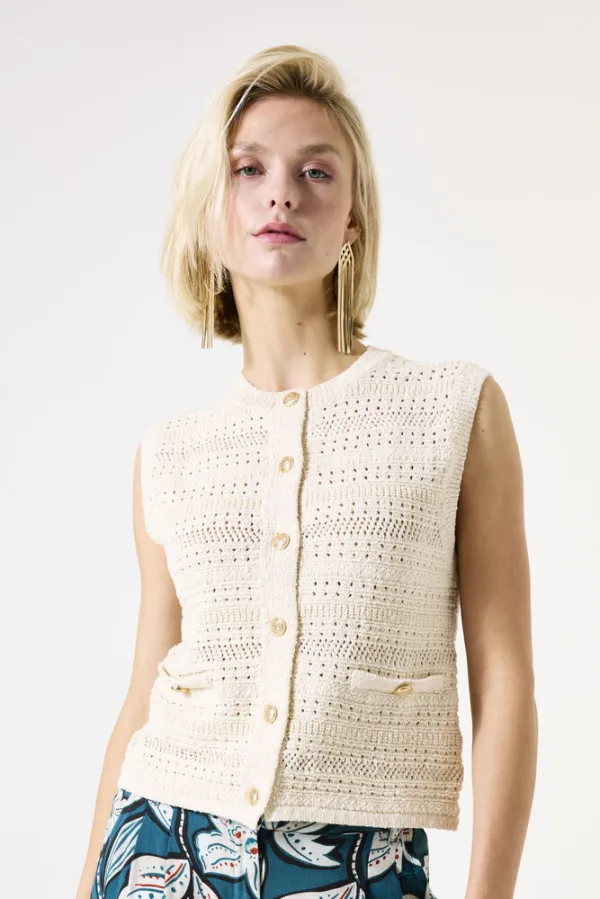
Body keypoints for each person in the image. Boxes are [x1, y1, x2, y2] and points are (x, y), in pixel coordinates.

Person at [77, 44, 537, 899]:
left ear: (353, 217)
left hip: (358, 861)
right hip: (157, 845)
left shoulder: (453, 410)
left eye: (316, 171)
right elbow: (144, 690)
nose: (282, 193)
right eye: (248, 168)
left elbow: (504, 676)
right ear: (212, 210)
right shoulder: (169, 454)